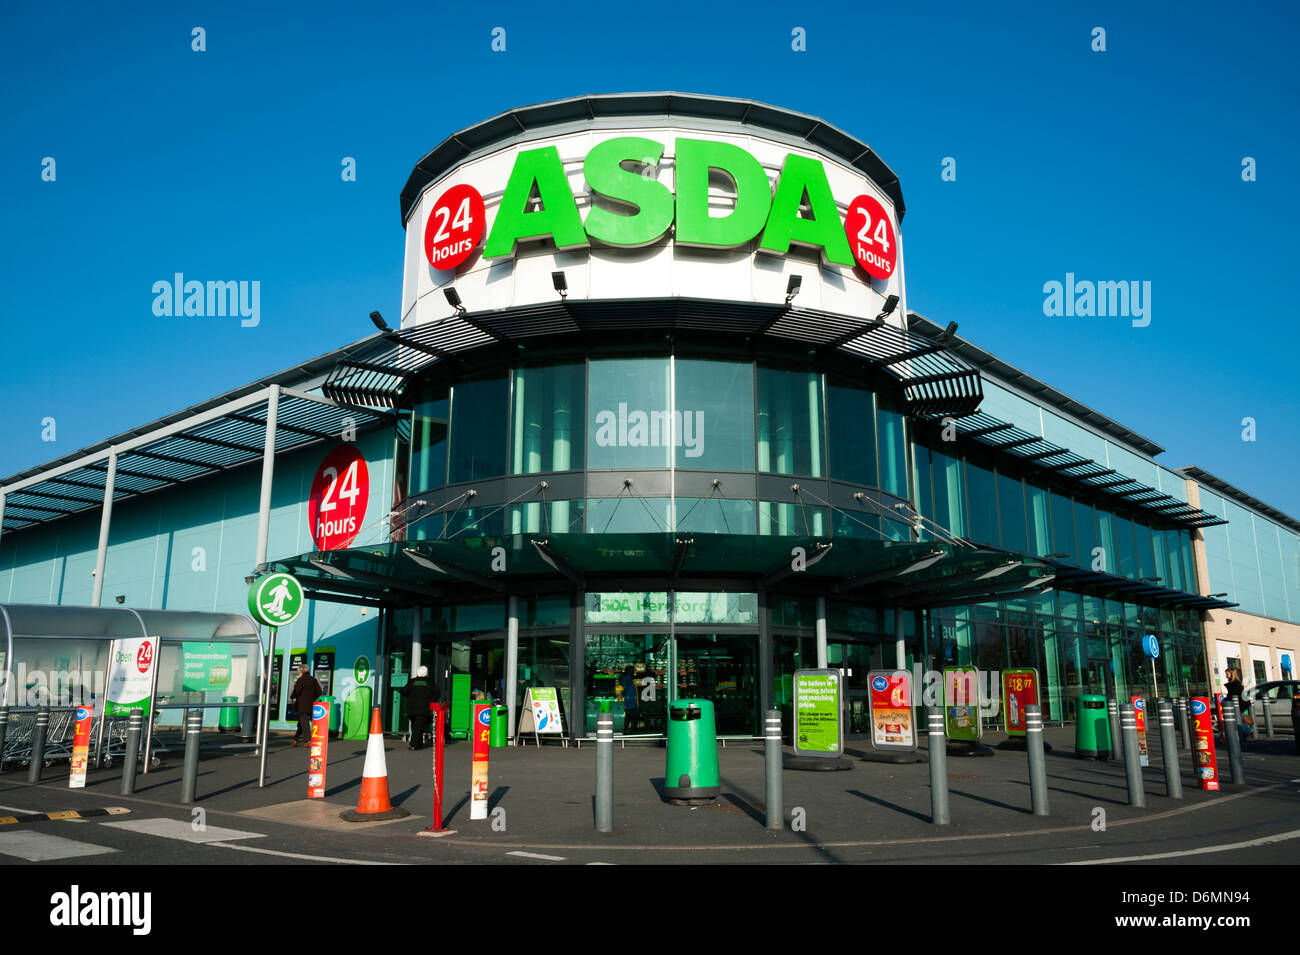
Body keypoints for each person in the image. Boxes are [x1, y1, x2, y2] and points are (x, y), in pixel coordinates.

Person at [400, 666, 440, 749]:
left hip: (412, 708)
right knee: (419, 726)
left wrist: (409, 696)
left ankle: (417, 743)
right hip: (423, 708)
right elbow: (437, 693)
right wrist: (433, 699)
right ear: (426, 673)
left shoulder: (412, 681)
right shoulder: (429, 682)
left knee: (415, 726)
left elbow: (404, 690)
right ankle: (414, 745)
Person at [288, 664, 322, 747]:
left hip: (302, 705)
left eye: (299, 671)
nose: (298, 673)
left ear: (301, 671)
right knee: (301, 722)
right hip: (311, 704)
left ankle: (308, 740)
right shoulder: (313, 680)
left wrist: (292, 696)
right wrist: (312, 698)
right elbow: (319, 692)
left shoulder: (301, 680)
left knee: (304, 722)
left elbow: (297, 691)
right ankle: (295, 739)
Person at [1224, 668, 1252, 744]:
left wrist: (1225, 699)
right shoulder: (1234, 683)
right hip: (1240, 704)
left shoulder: (1235, 684)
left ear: (1232, 674)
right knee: (1238, 720)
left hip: (1240, 705)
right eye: (1226, 673)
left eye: (1227, 674)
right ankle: (1244, 733)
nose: (1226, 675)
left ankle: (1247, 731)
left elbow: (1233, 695)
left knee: (1237, 721)